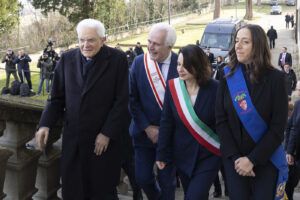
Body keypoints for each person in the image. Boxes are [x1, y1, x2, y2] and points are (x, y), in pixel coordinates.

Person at [35, 18, 129, 199]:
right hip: (74, 142)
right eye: (81, 40)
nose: (85, 45)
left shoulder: (118, 60)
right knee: (73, 191)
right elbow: (56, 99)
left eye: (91, 40)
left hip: (102, 144)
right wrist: (45, 124)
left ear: (103, 40)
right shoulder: (67, 60)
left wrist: (107, 133)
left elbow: (122, 101)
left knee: (102, 192)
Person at [216, 24, 289, 200]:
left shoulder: (277, 79)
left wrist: (252, 160)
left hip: (266, 160)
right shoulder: (225, 75)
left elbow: (278, 128)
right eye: (236, 41)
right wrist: (236, 159)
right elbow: (220, 121)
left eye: (245, 42)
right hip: (235, 162)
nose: (237, 46)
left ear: (257, 45)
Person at [156, 44, 221, 199]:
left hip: (208, 155)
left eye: (186, 65)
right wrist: (161, 153)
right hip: (183, 155)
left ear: (198, 65)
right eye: (179, 64)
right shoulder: (173, 87)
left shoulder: (216, 88)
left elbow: (223, 123)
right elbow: (166, 122)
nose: (180, 69)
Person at [129, 22, 177, 200]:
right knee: (142, 178)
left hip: (170, 137)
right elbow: (132, 99)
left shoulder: (181, 64)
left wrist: (164, 131)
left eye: (156, 44)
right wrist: (148, 128)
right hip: (143, 134)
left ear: (169, 46)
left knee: (168, 183)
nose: (150, 46)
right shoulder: (139, 63)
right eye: (149, 41)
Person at [285, 91, 299, 200]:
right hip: (296, 155)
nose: (298, 92)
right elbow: (291, 128)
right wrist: (289, 151)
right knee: (290, 183)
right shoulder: (298, 104)